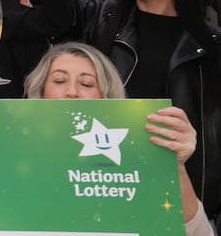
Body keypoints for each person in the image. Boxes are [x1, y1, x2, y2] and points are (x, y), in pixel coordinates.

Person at [66, 0, 221, 222]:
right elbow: (56, 8)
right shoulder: (102, 21)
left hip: (184, 195)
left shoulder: (211, 42)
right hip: (110, 182)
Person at [25, 42, 214, 236]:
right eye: (59, 80)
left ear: (106, 95)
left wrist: (175, 165)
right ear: (40, 92)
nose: (71, 92)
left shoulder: (138, 156)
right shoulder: (19, 157)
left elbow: (198, 233)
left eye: (86, 83)